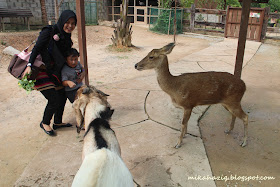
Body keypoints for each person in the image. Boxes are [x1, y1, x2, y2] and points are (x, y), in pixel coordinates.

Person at [22, 10, 77, 136]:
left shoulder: (66, 38)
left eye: (73, 23)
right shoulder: (49, 31)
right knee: (54, 98)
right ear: (62, 21)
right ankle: (45, 122)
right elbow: (37, 48)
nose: (70, 26)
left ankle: (57, 122)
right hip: (41, 70)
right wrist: (29, 65)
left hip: (54, 72)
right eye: (67, 22)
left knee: (62, 95)